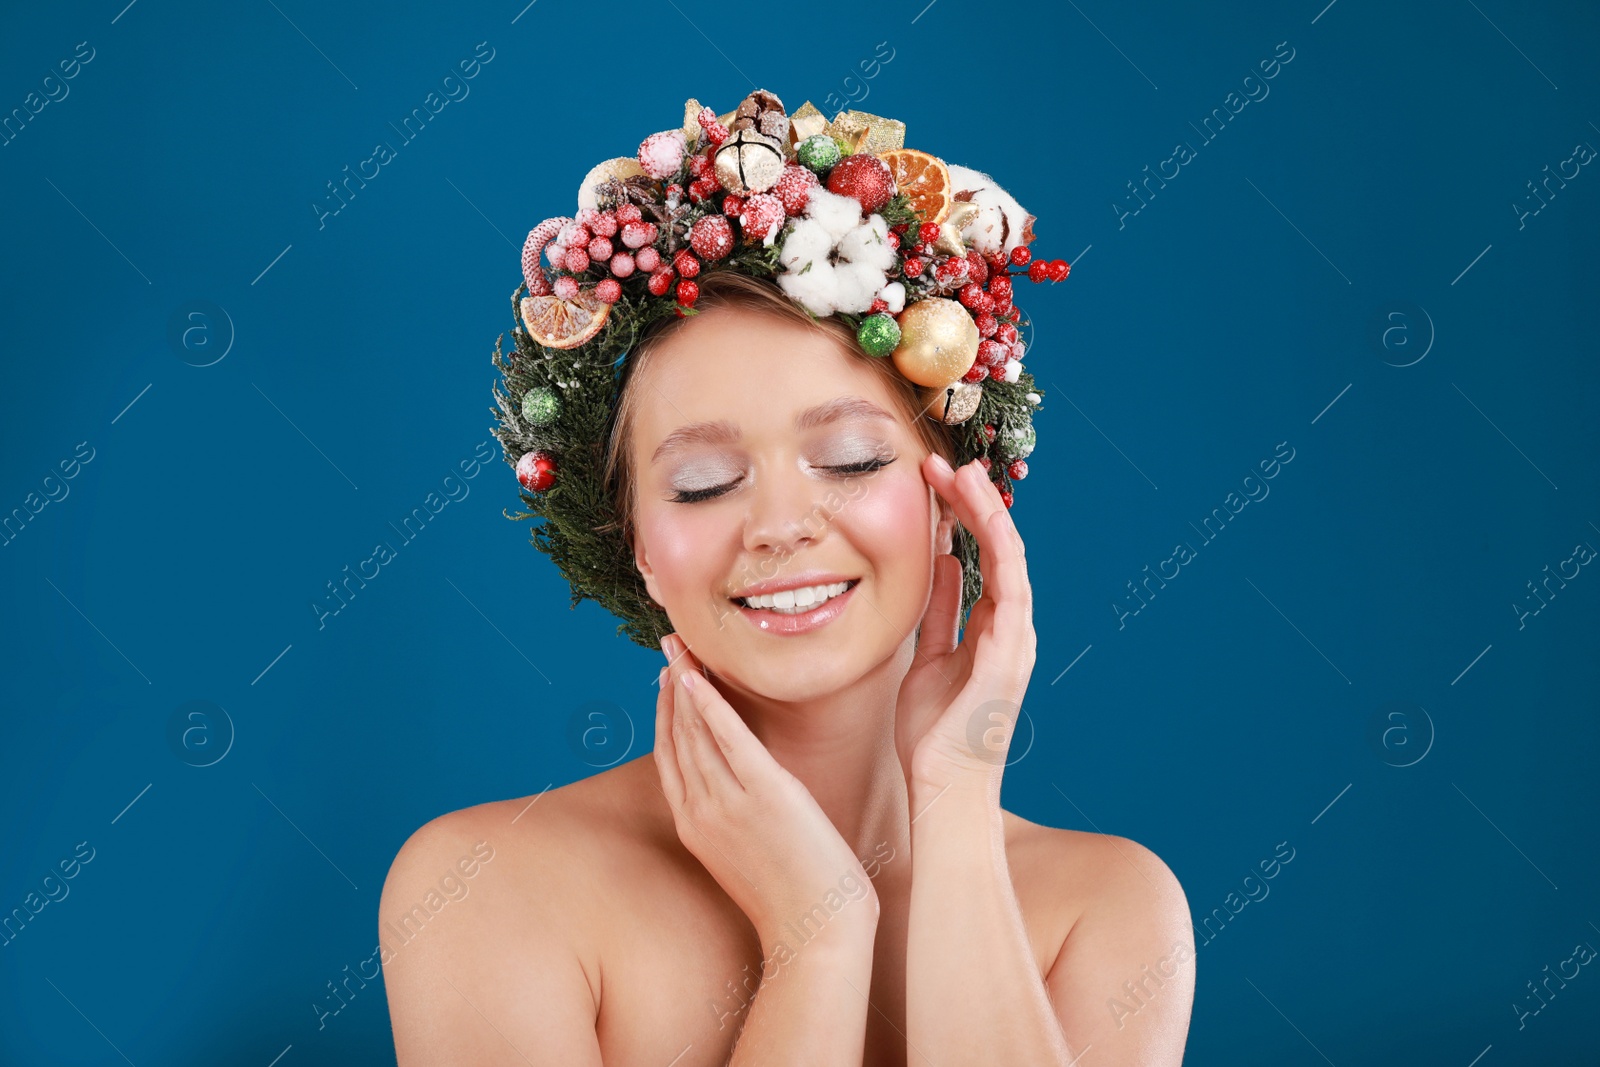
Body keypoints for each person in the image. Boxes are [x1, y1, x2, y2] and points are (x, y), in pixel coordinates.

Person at [381, 91, 1194, 1065]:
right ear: (633, 541)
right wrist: (819, 936)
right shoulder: (484, 885)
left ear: (952, 496)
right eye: (703, 481)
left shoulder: (1106, 908)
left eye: (850, 460)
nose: (777, 527)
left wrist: (956, 797)